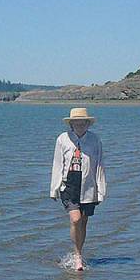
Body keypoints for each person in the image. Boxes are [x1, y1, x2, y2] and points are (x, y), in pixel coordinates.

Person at [50, 107, 107, 271]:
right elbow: (57, 164)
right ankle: (77, 256)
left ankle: (79, 253)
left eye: (83, 123)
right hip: (69, 185)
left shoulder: (95, 140)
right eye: (77, 123)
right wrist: (54, 188)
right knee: (75, 219)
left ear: (88, 124)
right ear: (71, 124)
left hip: (89, 186)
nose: (80, 126)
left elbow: (100, 165)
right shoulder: (62, 139)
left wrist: (101, 189)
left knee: (83, 222)